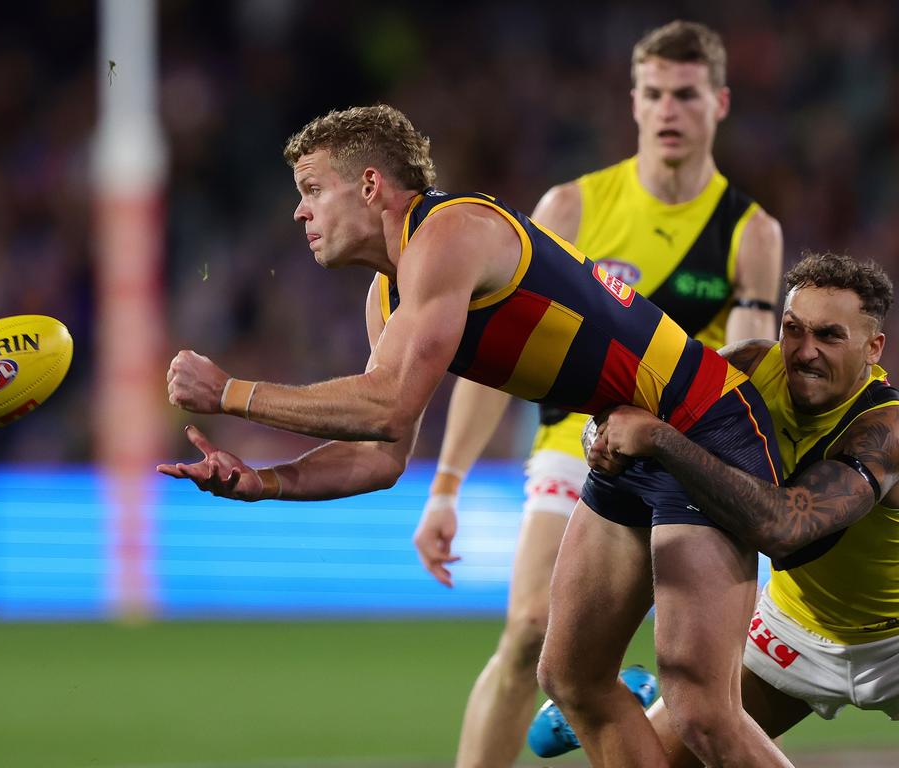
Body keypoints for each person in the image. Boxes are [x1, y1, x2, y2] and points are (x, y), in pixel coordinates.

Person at [157, 103, 792, 767]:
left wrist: (232, 394)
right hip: (626, 445)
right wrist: (264, 482)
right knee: (569, 677)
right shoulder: (388, 293)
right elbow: (380, 457)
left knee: (700, 708)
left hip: (703, 424)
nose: (299, 212)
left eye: (313, 190)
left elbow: (389, 407)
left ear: (370, 185)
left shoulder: (452, 230)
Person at [412, 20, 783, 767]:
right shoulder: (572, 209)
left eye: (686, 94)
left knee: (697, 681)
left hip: (688, 452)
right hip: (575, 445)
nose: (669, 110)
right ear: (634, 103)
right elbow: (493, 359)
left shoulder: (750, 232)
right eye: (654, 94)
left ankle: (635, 696)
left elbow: (745, 367)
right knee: (527, 632)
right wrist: (446, 484)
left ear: (720, 103)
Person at [589, 252, 898, 764]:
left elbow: (783, 527)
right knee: (660, 755)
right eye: (793, 329)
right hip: (795, 627)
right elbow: (633, 409)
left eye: (829, 336)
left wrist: (660, 440)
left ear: (873, 347)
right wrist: (599, 438)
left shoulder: (884, 430)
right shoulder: (752, 368)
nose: (805, 352)